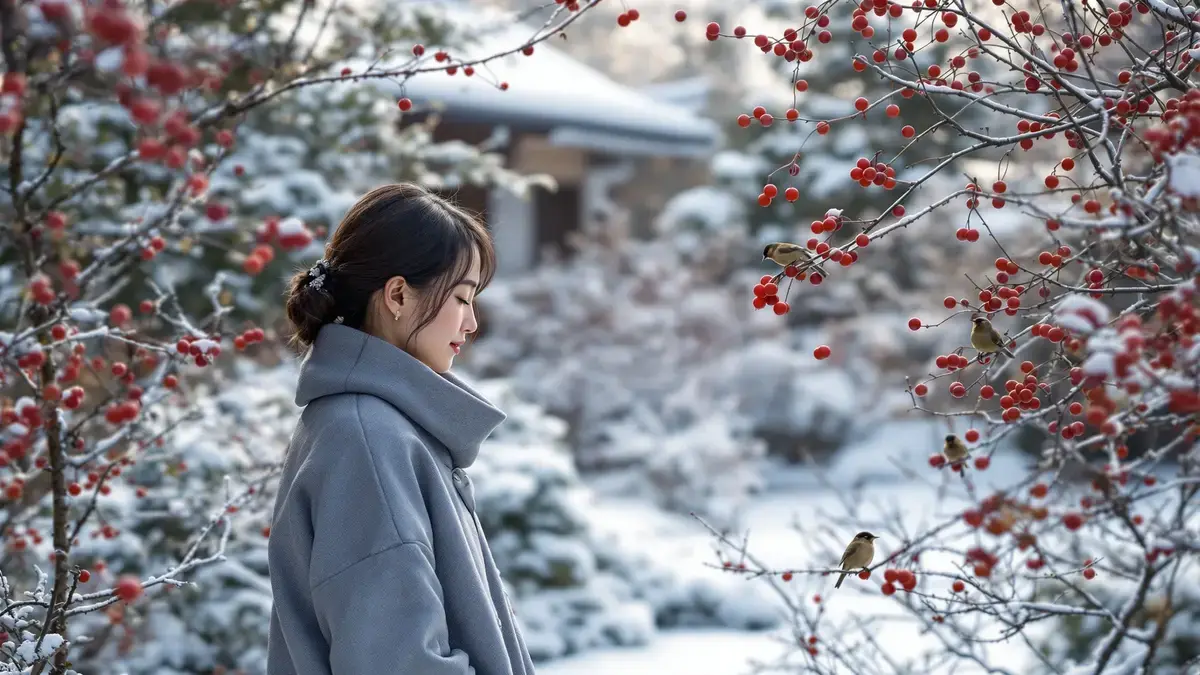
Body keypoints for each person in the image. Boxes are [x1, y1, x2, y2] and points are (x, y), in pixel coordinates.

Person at [266, 183, 535, 675]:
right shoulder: (368, 438)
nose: (472, 322)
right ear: (397, 294)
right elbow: (399, 661)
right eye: (461, 297)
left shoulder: (371, 425)